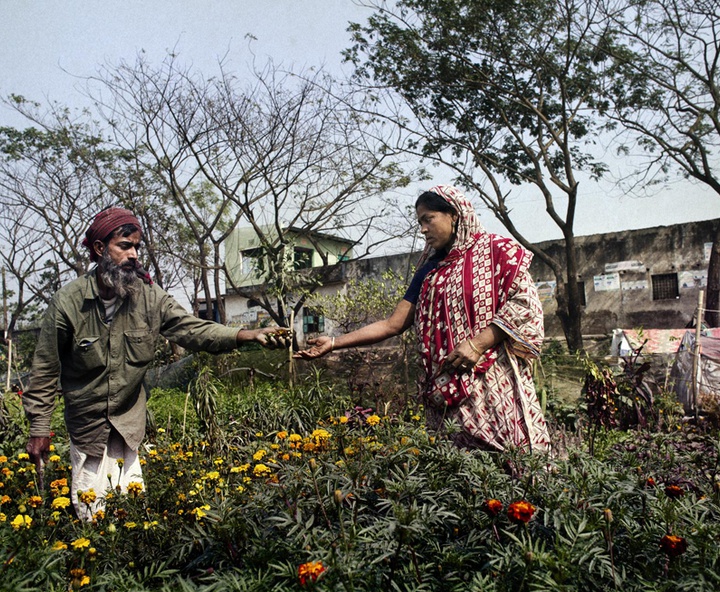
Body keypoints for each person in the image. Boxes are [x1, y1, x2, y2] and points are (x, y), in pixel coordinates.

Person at [23, 207, 290, 520]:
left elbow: (194, 329)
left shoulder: (149, 297)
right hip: (87, 428)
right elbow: (44, 369)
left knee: (132, 512)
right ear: (99, 249)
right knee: (90, 513)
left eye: (137, 246)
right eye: (125, 246)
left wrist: (247, 334)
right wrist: (38, 429)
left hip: (128, 426)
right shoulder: (68, 302)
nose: (135, 254)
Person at [295, 185, 550, 453]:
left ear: (454, 215)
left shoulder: (498, 252)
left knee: (514, 461)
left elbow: (524, 304)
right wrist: (334, 342)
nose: (423, 229)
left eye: (429, 219)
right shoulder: (429, 270)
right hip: (445, 387)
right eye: (420, 222)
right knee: (459, 470)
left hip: (494, 382)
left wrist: (477, 344)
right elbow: (393, 324)